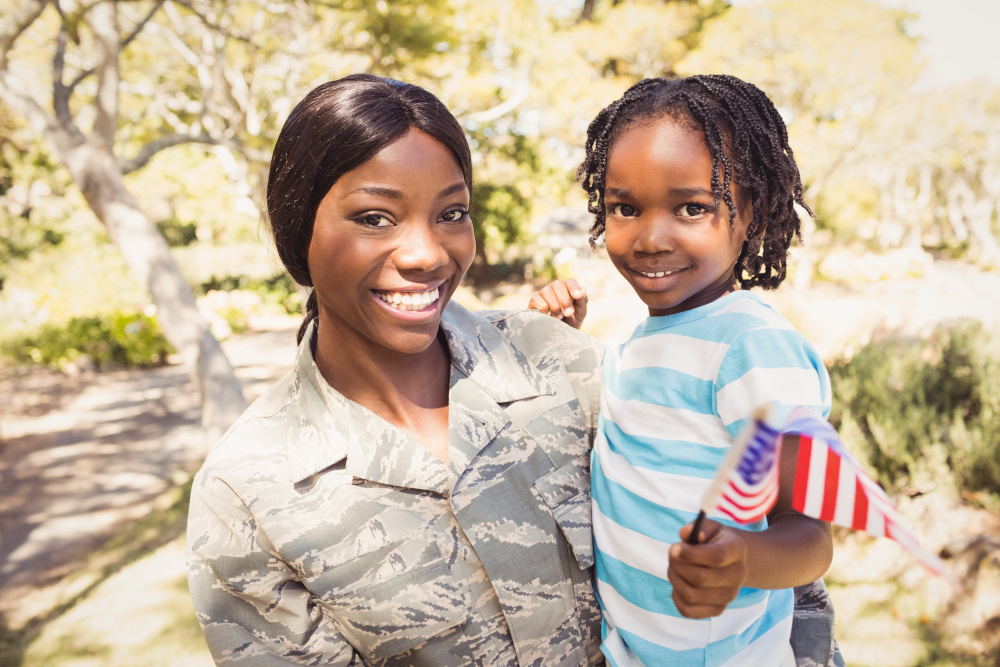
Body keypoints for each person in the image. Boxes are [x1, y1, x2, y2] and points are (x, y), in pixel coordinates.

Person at [185, 74, 607, 666]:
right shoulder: (247, 493)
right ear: (297, 231)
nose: (428, 254)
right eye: (375, 218)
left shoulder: (560, 365)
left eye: (452, 212)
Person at [529, 75, 838, 667]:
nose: (649, 237)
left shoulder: (753, 348)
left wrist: (742, 557)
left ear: (751, 214)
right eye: (624, 207)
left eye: (691, 208)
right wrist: (564, 340)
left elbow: (810, 536)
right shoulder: (633, 345)